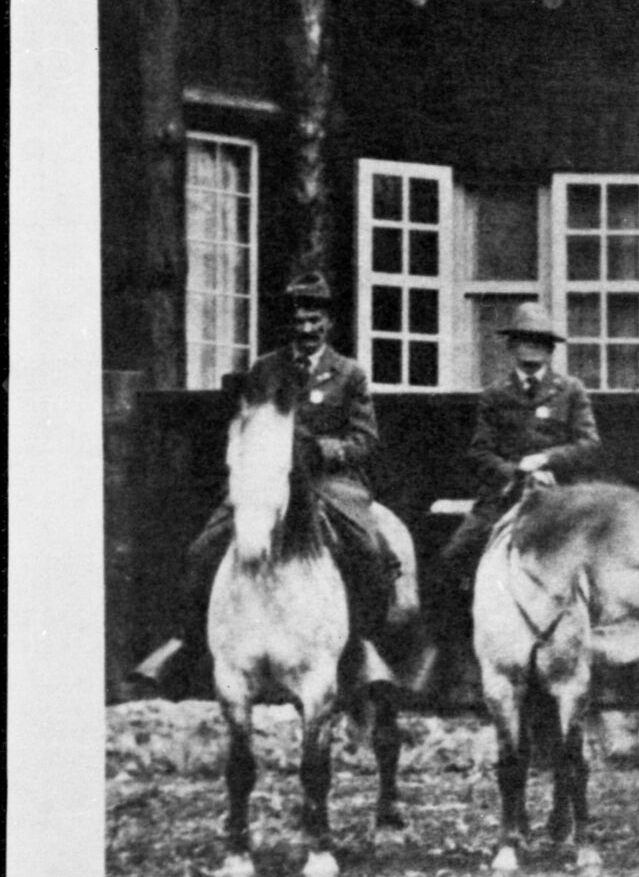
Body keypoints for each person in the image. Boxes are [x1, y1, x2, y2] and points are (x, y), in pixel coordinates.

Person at [118, 270, 426, 698]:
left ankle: (362, 647)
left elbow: (365, 440)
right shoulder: (265, 370)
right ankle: (184, 645)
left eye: (314, 316)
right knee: (202, 549)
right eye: (298, 316)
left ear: (328, 322)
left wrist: (321, 450)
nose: (306, 325)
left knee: (367, 549)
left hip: (329, 483)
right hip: (266, 479)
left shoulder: (349, 374)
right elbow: (245, 426)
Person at [433, 301, 603, 641]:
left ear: (550, 349)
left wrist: (545, 460)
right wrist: (515, 473)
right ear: (511, 346)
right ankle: (455, 647)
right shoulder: (496, 394)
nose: (532, 348)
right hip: (503, 498)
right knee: (454, 558)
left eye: (540, 341)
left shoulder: (570, 390)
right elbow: (480, 451)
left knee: (597, 568)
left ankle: (597, 645)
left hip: (558, 499)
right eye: (524, 340)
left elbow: (588, 444)